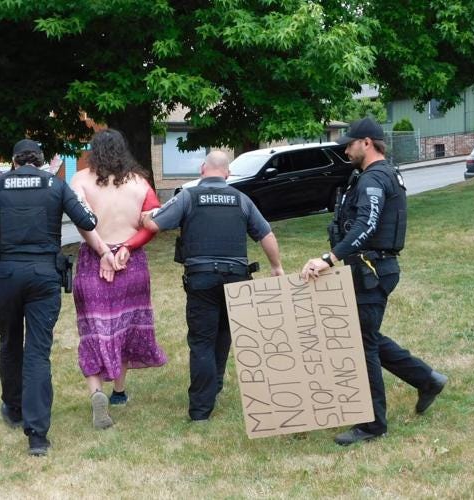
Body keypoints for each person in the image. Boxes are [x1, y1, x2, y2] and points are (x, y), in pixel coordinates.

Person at [300, 117, 448, 445]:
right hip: (372, 268)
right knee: (364, 335)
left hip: (371, 270)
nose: (346, 150)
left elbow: (366, 225)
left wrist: (328, 259)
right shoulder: (379, 175)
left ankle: (373, 425)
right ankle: (427, 379)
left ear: (367, 143)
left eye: (350, 144)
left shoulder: (373, 179)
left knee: (361, 344)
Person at [0, 139, 113, 456]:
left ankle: (14, 409)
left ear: (13, 161)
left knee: (10, 341)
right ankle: (38, 436)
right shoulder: (55, 186)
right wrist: (103, 249)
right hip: (44, 276)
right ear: (41, 161)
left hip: (6, 277)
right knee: (37, 353)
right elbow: (87, 222)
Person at [142, 151, 284, 422]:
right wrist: (276, 267)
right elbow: (265, 233)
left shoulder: (189, 197)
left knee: (202, 342)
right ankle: (215, 386)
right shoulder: (241, 200)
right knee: (223, 335)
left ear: (202, 169)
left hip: (202, 279)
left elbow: (155, 224)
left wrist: (144, 216)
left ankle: (200, 411)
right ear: (227, 174)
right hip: (237, 279)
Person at [70, 128, 167, 430]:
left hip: (93, 261)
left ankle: (96, 390)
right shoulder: (140, 183)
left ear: (94, 150)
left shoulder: (80, 180)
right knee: (124, 327)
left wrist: (103, 252)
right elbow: (154, 224)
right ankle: (119, 393)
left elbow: (81, 219)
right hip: (131, 263)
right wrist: (127, 247)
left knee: (93, 329)